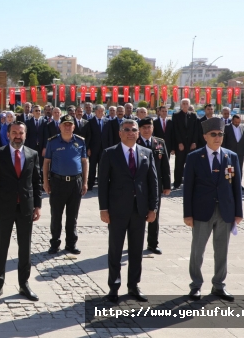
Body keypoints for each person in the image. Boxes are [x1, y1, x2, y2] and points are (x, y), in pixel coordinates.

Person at [98, 119, 158, 303]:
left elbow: (153, 182)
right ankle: (114, 287)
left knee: (136, 250)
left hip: (139, 210)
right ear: (120, 133)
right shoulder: (110, 154)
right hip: (117, 210)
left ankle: (133, 285)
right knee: (115, 249)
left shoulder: (146, 153)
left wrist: (153, 207)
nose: (131, 132)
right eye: (127, 130)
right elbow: (103, 184)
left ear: (138, 133)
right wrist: (104, 208)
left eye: (134, 130)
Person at [184, 117, 243, 302]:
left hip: (225, 211)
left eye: (220, 134)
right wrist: (188, 213)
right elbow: (188, 188)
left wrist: (238, 212)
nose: (218, 137)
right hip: (202, 211)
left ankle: (219, 285)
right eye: (214, 134)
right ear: (205, 136)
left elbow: (236, 186)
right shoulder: (194, 157)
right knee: (197, 250)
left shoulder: (231, 156)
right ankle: (195, 285)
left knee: (222, 250)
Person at [0, 121, 42, 301]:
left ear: (25, 135)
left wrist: (38, 206)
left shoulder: (32, 154)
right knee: (1, 246)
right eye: (15, 132)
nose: (18, 136)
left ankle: (24, 284)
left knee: (25, 247)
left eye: (21, 133)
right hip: (4, 207)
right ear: (8, 134)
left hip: (26, 207)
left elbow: (36, 182)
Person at [43, 115, 88, 255]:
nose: (67, 127)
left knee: (72, 215)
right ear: (60, 127)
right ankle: (55, 243)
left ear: (74, 127)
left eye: (70, 125)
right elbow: (46, 163)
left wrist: (85, 182)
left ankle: (71, 244)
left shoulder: (80, 142)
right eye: (65, 125)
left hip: (76, 182)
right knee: (56, 215)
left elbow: (85, 162)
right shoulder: (53, 142)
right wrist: (45, 182)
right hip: (57, 182)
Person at [136, 117, 171, 255]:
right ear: (139, 129)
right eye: (143, 127)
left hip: (155, 185)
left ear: (152, 128)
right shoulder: (135, 142)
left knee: (154, 213)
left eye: (148, 127)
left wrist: (167, 185)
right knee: (137, 215)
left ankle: (152, 243)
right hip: (139, 185)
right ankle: (136, 243)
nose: (146, 130)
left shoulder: (159, 143)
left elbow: (165, 165)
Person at [172, 99, 199, 189]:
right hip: (181, 144)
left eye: (186, 103)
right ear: (181, 105)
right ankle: (177, 182)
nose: (185, 105)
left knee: (191, 164)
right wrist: (179, 142)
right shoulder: (176, 116)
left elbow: (196, 130)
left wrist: (194, 142)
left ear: (189, 105)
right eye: (183, 103)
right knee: (179, 164)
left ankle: (191, 182)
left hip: (191, 144)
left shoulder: (193, 116)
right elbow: (175, 130)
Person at [85, 104, 110, 190]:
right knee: (92, 167)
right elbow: (88, 136)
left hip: (104, 148)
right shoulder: (90, 121)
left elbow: (109, 136)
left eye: (102, 111)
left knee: (102, 167)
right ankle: (90, 184)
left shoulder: (107, 121)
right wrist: (88, 148)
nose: (100, 113)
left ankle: (101, 184)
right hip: (93, 148)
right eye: (98, 111)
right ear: (95, 112)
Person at [223, 114, 244, 189]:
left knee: (239, 168)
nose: (237, 123)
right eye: (236, 122)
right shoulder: (227, 128)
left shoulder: (243, 128)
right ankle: (229, 184)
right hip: (229, 152)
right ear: (232, 121)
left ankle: (238, 184)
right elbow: (224, 141)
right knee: (229, 168)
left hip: (240, 152)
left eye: (239, 122)